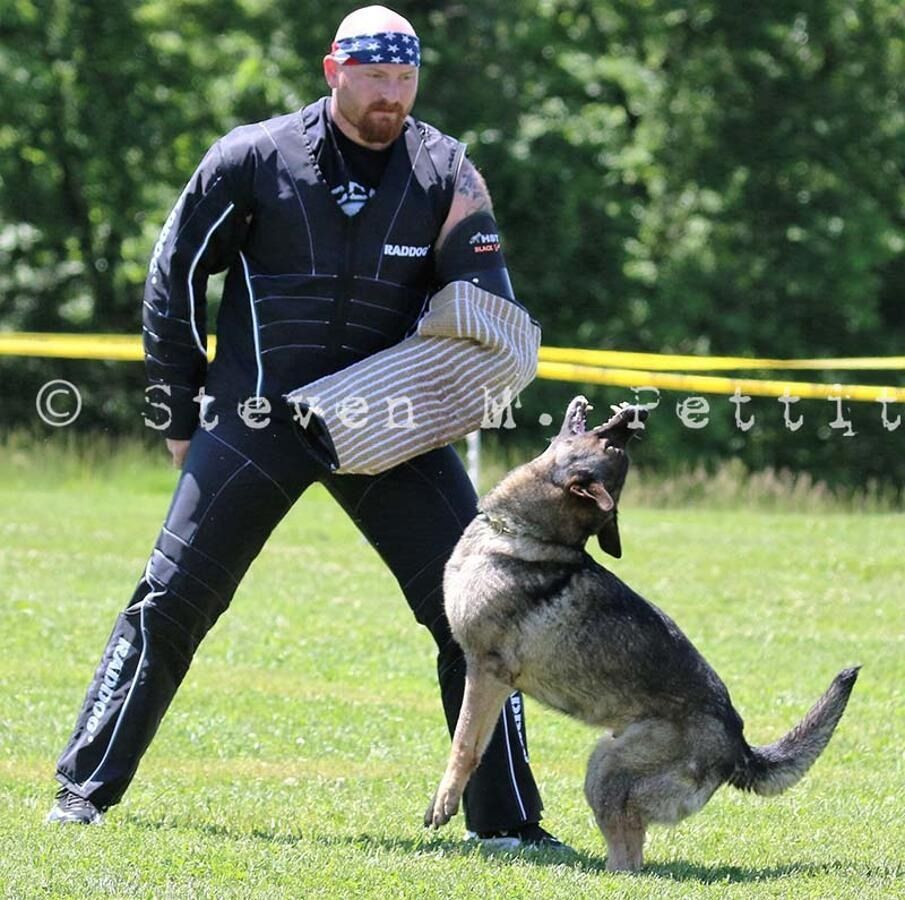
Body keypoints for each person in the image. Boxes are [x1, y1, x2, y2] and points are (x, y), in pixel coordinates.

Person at [48, 5, 564, 851]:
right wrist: (178, 413)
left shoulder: (444, 170)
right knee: (172, 601)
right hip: (257, 415)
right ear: (334, 69)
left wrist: (477, 361)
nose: (389, 97)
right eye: (373, 78)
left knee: (476, 613)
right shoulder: (254, 157)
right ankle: (83, 790)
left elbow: (486, 303)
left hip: (385, 422)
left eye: (404, 80)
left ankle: (505, 823)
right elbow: (172, 278)